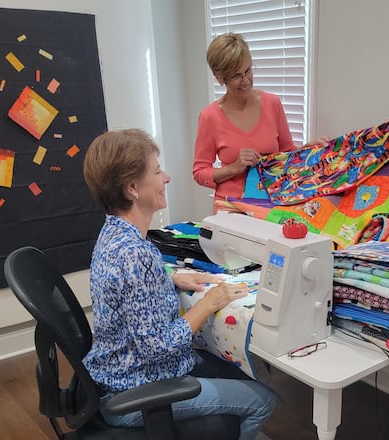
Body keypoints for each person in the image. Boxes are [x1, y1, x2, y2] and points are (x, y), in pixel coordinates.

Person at [82, 129, 276, 440]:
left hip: (117, 375)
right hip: (138, 391)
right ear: (132, 188)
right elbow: (158, 346)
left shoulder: (114, 233)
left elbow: (126, 286)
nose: (167, 177)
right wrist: (209, 303)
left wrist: (168, 277)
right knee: (264, 400)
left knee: (250, 377)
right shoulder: (136, 254)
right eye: (157, 171)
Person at [193, 32, 328, 213]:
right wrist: (234, 168)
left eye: (248, 71)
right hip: (231, 206)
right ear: (219, 77)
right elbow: (200, 172)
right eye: (236, 76)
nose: (246, 81)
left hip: (273, 203)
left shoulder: (272, 104)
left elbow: (286, 154)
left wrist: (308, 149)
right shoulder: (209, 117)